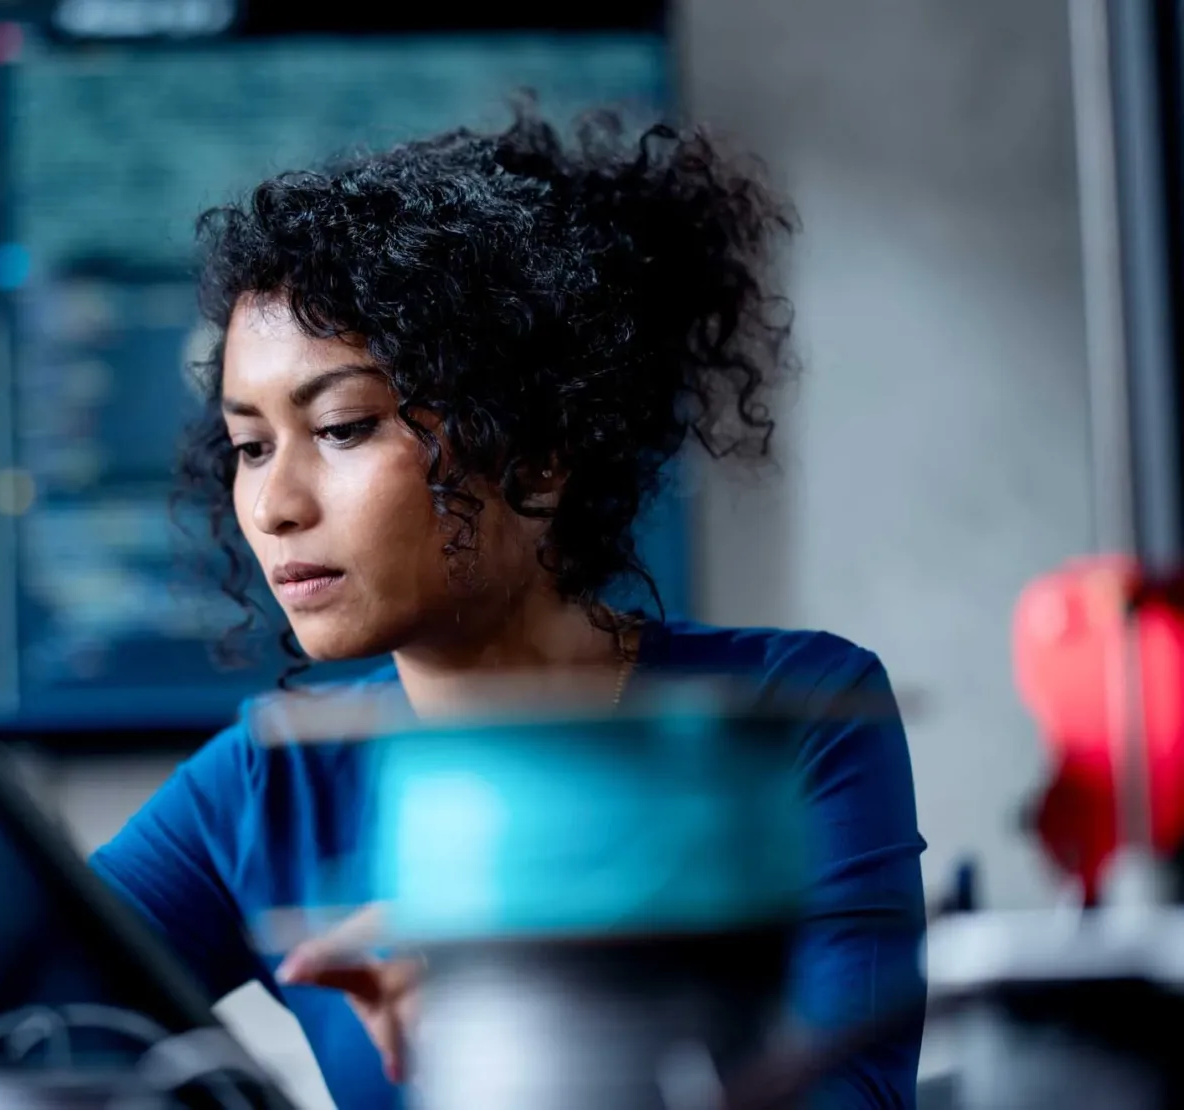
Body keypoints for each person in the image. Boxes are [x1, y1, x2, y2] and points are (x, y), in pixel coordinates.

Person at [91, 101, 925, 1110]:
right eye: (250, 447)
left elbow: (852, 1099)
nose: (274, 505)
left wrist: (531, 1009)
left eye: (344, 427)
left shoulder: (792, 715)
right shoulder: (265, 786)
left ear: (534, 453)